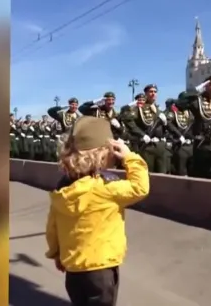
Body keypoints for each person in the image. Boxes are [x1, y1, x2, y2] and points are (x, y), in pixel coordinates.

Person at [45, 116, 150, 306]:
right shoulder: (105, 189)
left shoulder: (62, 192)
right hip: (101, 269)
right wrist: (129, 157)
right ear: (103, 155)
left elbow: (52, 228)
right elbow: (140, 187)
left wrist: (56, 254)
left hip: (73, 270)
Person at [176, 75, 211, 180]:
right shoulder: (197, 101)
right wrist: (198, 88)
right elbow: (180, 103)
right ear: (206, 85)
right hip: (204, 147)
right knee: (202, 180)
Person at [120, 84, 169, 173]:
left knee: (162, 173)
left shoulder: (158, 109)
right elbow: (126, 119)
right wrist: (142, 135)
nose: (153, 94)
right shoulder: (139, 108)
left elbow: (165, 128)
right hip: (148, 146)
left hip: (160, 145)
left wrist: (165, 123)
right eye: (151, 92)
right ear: (146, 93)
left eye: (155, 92)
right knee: (148, 173)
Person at [166, 93, 194, 176]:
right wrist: (179, 135)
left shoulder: (190, 111)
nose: (189, 102)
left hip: (192, 145)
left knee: (192, 171)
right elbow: (169, 124)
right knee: (181, 171)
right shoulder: (174, 111)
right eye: (187, 100)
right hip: (180, 145)